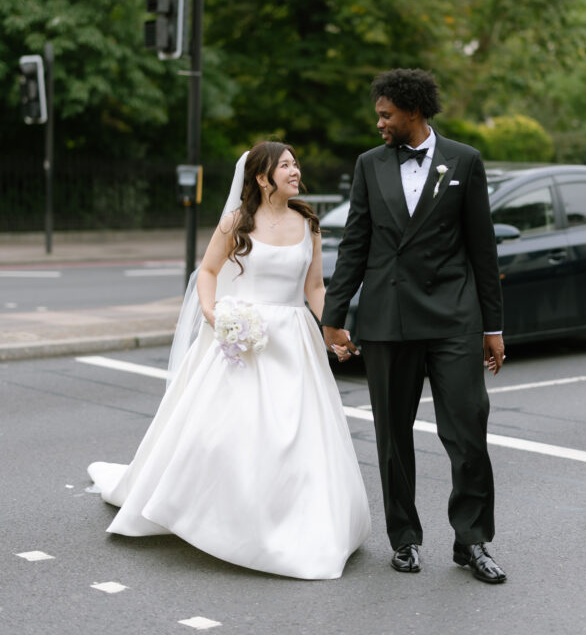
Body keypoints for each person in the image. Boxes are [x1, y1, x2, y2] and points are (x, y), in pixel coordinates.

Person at [88, 141, 371, 580]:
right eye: (286, 166)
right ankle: (220, 515)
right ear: (262, 177)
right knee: (228, 433)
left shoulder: (308, 223)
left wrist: (331, 325)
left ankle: (295, 521)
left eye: (297, 163)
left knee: (298, 435)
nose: (296, 171)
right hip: (243, 339)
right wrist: (212, 311)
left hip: (293, 341)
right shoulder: (236, 222)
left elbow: (314, 286)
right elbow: (207, 271)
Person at [321, 69, 506, 583]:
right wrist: (334, 318)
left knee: (468, 428)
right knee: (392, 437)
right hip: (388, 317)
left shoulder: (464, 161)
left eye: (385, 114)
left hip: (453, 315)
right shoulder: (368, 165)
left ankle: (472, 540)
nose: (378, 122)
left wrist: (492, 325)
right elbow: (355, 243)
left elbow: (482, 249)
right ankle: (404, 537)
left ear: (413, 112)